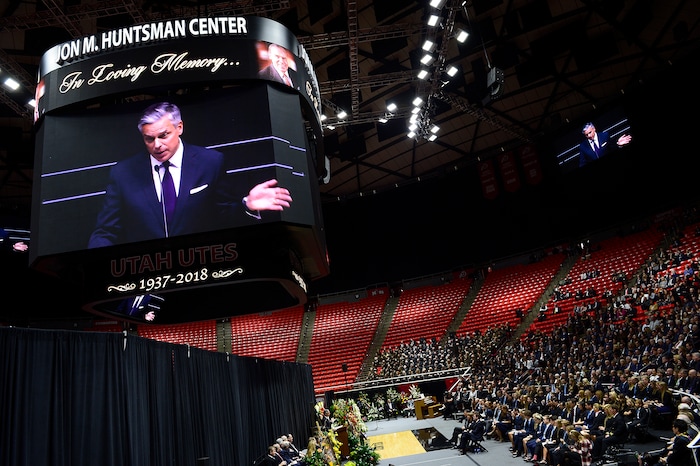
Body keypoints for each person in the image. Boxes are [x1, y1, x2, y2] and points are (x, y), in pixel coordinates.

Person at [88, 102, 292, 248]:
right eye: (149, 139)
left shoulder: (211, 162)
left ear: (179, 127)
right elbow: (106, 231)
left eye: (163, 135)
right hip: (146, 274)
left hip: (200, 269)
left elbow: (222, 214)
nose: (157, 145)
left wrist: (246, 204)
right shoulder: (123, 173)